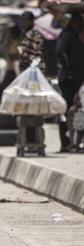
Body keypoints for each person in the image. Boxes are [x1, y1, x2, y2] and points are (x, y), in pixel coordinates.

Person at [56, 13, 84, 152]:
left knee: (77, 110)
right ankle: (65, 142)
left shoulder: (75, 35)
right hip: (69, 79)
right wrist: (69, 69)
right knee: (67, 110)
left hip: (76, 78)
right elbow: (60, 52)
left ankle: (74, 142)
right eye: (80, 23)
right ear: (74, 22)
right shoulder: (67, 34)